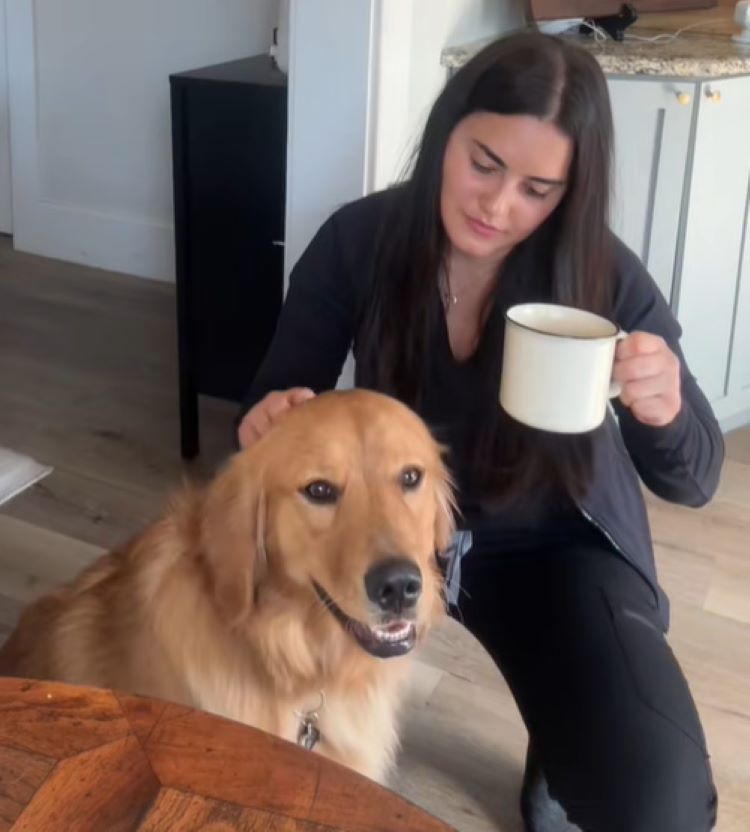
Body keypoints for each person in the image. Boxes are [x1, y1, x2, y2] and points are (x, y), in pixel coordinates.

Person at [236, 31, 723, 832]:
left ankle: (561, 733)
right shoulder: (359, 242)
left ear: (570, 193)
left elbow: (695, 478)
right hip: (396, 529)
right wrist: (270, 422)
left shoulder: (602, 271)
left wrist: (661, 405)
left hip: (552, 546)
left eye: (538, 189)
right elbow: (264, 417)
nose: (497, 207)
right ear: (445, 136)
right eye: (484, 163)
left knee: (658, 805)